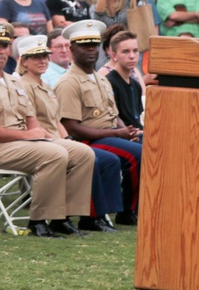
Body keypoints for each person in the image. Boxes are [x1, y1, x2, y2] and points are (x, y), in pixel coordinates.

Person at [0, 20, 95, 238]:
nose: (1, 51)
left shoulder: (13, 81)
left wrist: (38, 135)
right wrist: (29, 136)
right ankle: (39, 221)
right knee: (55, 155)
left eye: (5, 46)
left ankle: (63, 217)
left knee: (83, 153)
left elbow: (31, 118)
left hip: (23, 143)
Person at [15, 34, 122, 233]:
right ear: (24, 61)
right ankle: (70, 217)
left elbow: (56, 120)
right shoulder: (23, 85)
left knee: (94, 156)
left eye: (45, 56)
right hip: (41, 140)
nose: (43, 61)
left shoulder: (43, 84)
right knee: (94, 158)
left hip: (55, 138)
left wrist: (68, 140)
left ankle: (70, 216)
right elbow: (32, 123)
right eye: (36, 57)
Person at [55, 21, 142, 225]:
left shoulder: (100, 79)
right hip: (87, 140)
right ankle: (126, 210)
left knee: (150, 145)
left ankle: (138, 207)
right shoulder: (69, 82)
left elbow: (113, 114)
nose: (91, 50)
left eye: (94, 45)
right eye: (85, 45)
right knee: (137, 154)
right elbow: (71, 127)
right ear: (72, 49)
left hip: (110, 134)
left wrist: (125, 129)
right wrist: (116, 134)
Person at [104, 30, 144, 129]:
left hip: (138, 132)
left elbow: (137, 119)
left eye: (135, 51)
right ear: (114, 56)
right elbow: (112, 120)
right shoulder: (109, 82)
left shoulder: (136, 85)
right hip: (121, 135)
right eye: (126, 51)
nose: (132, 56)